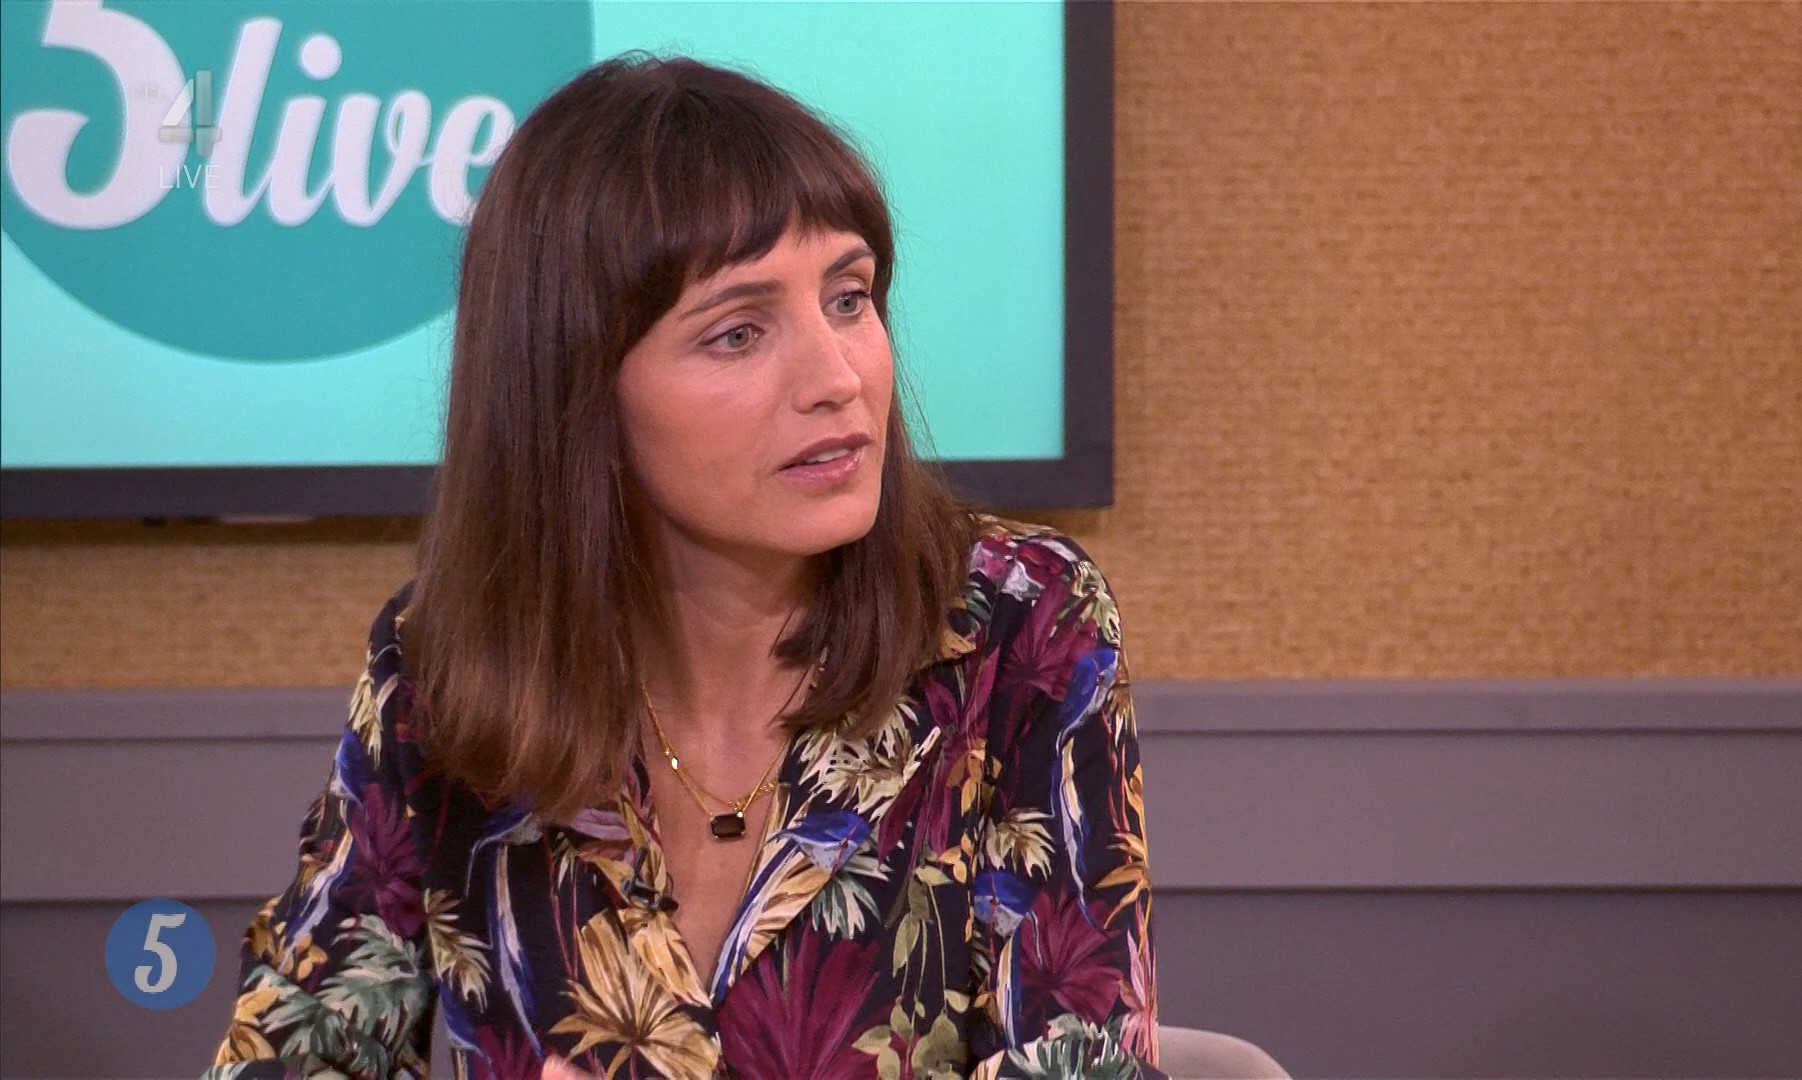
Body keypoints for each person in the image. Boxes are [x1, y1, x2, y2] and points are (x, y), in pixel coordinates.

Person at [201, 52, 1161, 1080]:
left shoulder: (1019, 624)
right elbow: (290, 1052)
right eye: (739, 332)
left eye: (849, 298)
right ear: (575, 387)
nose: (838, 377)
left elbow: (1088, 1063)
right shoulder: (445, 666)